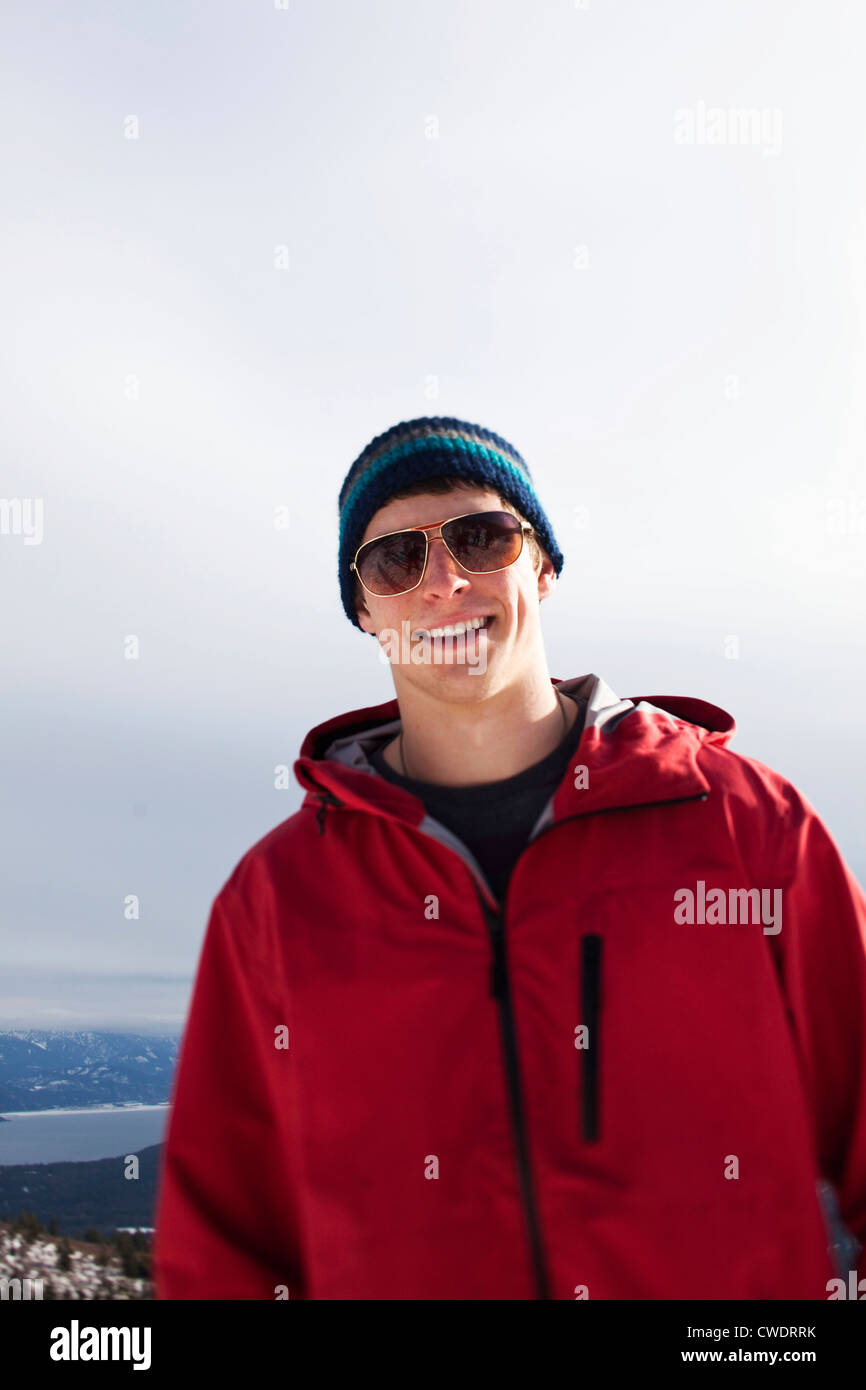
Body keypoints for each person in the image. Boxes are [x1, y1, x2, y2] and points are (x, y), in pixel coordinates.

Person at [153, 415, 866, 1300]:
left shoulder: (747, 829)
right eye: (394, 561)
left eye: (481, 537)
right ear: (366, 611)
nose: (445, 581)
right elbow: (221, 1245)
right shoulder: (279, 898)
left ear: (544, 566)